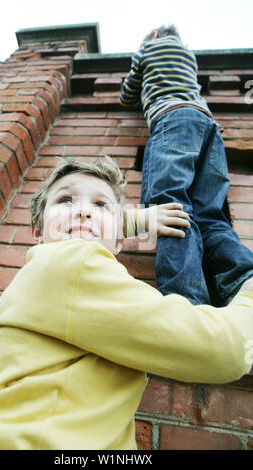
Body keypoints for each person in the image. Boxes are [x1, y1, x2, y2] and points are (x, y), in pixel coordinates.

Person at [0, 156, 252, 451]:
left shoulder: (45, 278)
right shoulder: (71, 263)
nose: (83, 212)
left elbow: (87, 224)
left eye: (100, 206)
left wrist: (136, 220)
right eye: (65, 200)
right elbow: (223, 350)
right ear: (36, 231)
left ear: (120, 240)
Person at [119, 24, 253, 306]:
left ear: (154, 35)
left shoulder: (149, 47)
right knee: (211, 217)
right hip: (208, 127)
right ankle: (245, 282)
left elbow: (127, 92)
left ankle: (185, 301)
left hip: (171, 118)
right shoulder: (188, 56)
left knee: (169, 208)